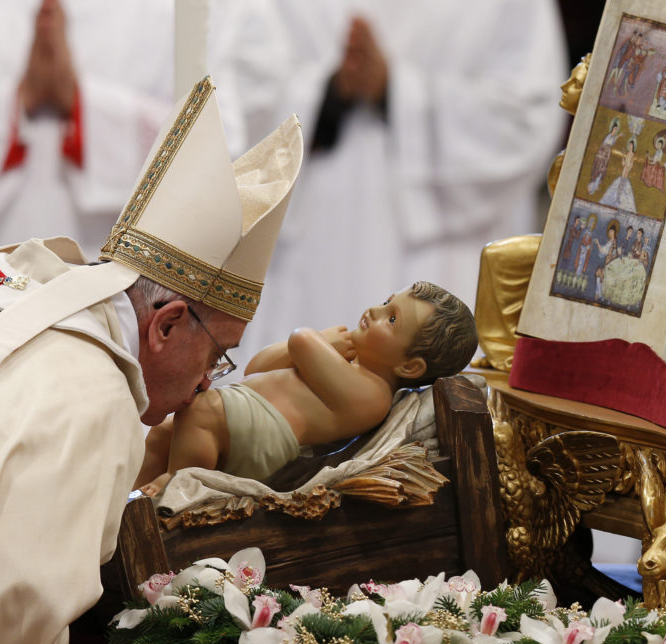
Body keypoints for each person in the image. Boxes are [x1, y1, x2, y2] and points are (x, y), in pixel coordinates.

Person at [0, 76, 303, 644]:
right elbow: (20, 611)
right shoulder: (94, 401)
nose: (207, 385)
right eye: (215, 355)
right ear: (166, 324)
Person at [230, 0, 568, 368]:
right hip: (308, 238)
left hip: (439, 252)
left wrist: (396, 90)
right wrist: (326, 93)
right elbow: (231, 86)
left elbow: (527, 117)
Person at [0, 0, 281, 258]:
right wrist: (17, 103)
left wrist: (83, 106)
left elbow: (220, 147)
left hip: (118, 270)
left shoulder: (183, 10)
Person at [136, 281, 478, 495]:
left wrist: (322, 339)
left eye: (391, 319)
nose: (374, 311)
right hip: (243, 416)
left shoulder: (371, 395)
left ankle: (182, 483)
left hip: (263, 439)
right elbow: (258, 366)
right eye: (386, 302)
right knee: (165, 431)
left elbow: (300, 340)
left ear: (409, 367)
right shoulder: (348, 364)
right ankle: (129, 497)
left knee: (199, 410)